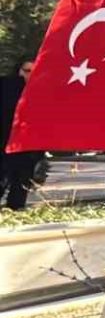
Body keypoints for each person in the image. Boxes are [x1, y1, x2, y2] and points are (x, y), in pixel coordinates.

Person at [0, 59, 43, 210]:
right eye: (26, 71)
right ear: (18, 70)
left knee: (22, 181)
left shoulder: (42, 90)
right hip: (5, 142)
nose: (30, 75)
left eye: (34, 71)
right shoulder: (6, 87)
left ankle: (16, 210)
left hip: (28, 146)